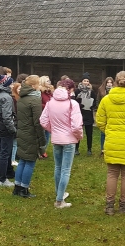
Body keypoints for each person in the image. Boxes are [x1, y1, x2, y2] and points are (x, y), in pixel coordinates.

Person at [96, 71, 125, 216]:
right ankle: (124, 205)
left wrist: (109, 132)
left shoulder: (106, 100)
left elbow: (100, 121)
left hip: (112, 140)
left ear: (115, 82)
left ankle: (109, 206)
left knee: (112, 174)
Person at [40, 78, 83, 209]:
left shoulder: (50, 102)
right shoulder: (72, 104)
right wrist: (79, 136)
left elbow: (43, 120)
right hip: (69, 140)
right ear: (70, 90)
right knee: (65, 170)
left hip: (56, 139)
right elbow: (76, 126)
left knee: (58, 167)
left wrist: (53, 130)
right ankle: (59, 200)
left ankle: (60, 193)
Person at [14, 75, 45, 198]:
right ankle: (24, 189)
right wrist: (42, 139)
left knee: (22, 160)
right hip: (31, 134)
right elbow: (38, 122)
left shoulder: (22, 97)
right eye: (38, 84)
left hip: (22, 131)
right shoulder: (34, 100)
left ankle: (17, 187)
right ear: (33, 86)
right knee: (30, 162)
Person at [0, 67, 17, 187]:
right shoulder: (6, 98)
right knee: (5, 153)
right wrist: (13, 130)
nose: (13, 86)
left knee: (0, 150)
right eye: (11, 83)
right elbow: (7, 117)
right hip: (5, 128)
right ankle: (2, 178)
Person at [75, 74, 97, 156]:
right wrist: (80, 105)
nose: (86, 82)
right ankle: (76, 148)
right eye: (85, 80)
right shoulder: (77, 91)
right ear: (81, 81)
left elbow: (95, 101)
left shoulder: (91, 91)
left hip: (88, 113)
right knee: (78, 132)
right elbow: (74, 101)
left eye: (87, 81)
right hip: (79, 113)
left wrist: (92, 105)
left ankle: (89, 149)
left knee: (89, 133)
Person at [11, 73, 29, 167]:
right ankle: (13, 159)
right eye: (18, 89)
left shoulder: (20, 98)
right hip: (15, 122)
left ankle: (14, 157)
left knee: (17, 141)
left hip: (20, 121)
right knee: (14, 142)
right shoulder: (14, 99)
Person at [96, 77, 114, 155]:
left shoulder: (115, 90)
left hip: (112, 113)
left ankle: (111, 148)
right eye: (108, 82)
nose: (109, 84)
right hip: (104, 113)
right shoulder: (101, 90)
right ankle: (103, 149)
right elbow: (98, 100)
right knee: (103, 132)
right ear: (105, 83)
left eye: (110, 82)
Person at [38, 76, 55, 158]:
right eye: (47, 81)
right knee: (41, 134)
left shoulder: (51, 92)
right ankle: (39, 151)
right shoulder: (40, 92)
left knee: (47, 134)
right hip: (42, 115)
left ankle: (43, 150)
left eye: (49, 80)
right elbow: (38, 104)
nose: (49, 82)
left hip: (50, 116)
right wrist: (48, 106)